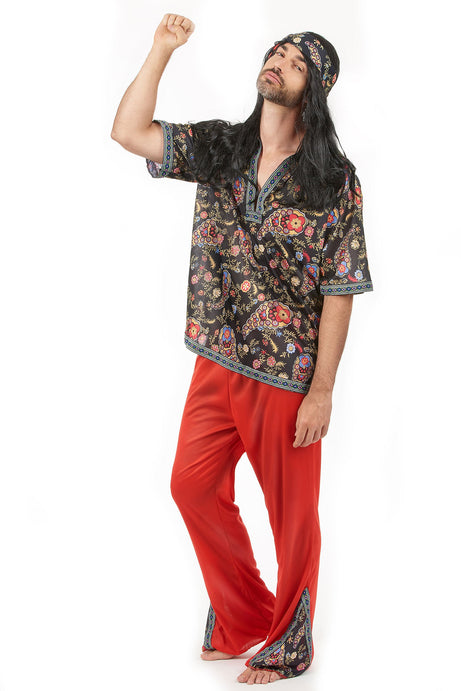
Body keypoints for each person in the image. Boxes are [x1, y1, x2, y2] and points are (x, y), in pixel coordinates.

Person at [111, 13, 373, 684]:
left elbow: (341, 288)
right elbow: (128, 131)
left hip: (286, 372)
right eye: (277, 52)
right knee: (190, 485)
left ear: (315, 89)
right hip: (216, 357)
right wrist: (161, 50)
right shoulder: (222, 147)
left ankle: (291, 642)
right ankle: (242, 613)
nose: (279, 62)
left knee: (293, 516)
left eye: (296, 61)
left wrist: (322, 389)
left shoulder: (333, 179)